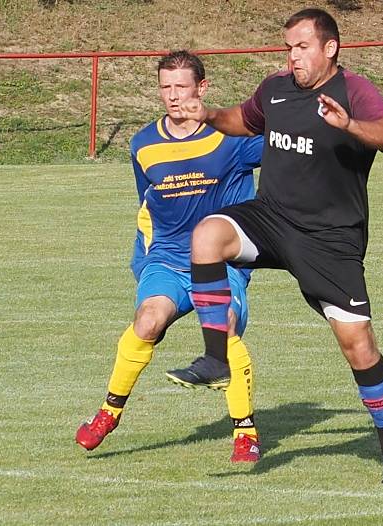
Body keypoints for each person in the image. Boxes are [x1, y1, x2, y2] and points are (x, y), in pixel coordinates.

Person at [164, 9, 383, 483]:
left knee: (357, 346)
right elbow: (244, 120)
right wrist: (211, 115)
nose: (292, 55)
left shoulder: (353, 91)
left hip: (330, 239)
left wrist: (351, 127)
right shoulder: (276, 87)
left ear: (329, 48)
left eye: (301, 46)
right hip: (273, 217)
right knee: (207, 236)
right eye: (289, 47)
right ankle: (216, 359)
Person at [75, 50, 265, 462]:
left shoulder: (232, 138)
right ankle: (109, 413)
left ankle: (245, 431)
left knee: (225, 325)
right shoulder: (143, 144)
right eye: (166, 87)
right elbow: (147, 204)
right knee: (147, 320)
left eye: (182, 86)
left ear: (202, 87)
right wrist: (145, 261)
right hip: (166, 260)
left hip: (219, 263)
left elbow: (288, 150)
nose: (174, 96)